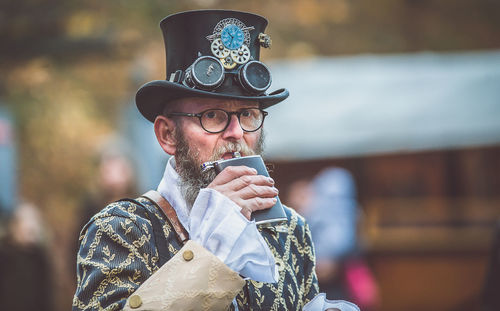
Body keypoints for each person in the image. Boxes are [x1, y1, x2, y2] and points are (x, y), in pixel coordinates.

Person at [73, 10, 327, 311]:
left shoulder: (291, 229)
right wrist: (214, 245)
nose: (236, 133)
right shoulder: (120, 229)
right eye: (212, 116)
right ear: (168, 134)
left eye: (248, 115)